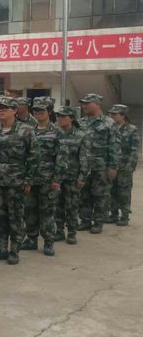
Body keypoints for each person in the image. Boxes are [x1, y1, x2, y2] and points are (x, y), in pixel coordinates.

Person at [0, 96, 39, 265]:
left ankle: (14, 250)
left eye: (5, 108)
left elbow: (34, 156)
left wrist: (29, 179)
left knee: (15, 216)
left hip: (16, 181)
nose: (0, 110)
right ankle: (1, 248)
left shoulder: (26, 130)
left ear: (15, 110)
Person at [77, 93, 119, 234]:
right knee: (84, 194)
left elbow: (114, 146)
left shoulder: (109, 123)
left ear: (97, 104)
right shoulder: (81, 122)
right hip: (83, 165)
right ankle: (85, 220)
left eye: (87, 103)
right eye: (83, 103)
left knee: (100, 194)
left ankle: (98, 222)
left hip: (101, 166)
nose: (84, 106)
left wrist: (112, 166)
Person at [22, 98, 59, 256]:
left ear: (49, 112)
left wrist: (57, 179)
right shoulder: (29, 131)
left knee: (47, 211)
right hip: (31, 178)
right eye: (36, 111)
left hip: (48, 179)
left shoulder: (57, 132)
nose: (38, 114)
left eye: (42, 111)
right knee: (30, 210)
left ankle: (49, 242)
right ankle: (31, 239)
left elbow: (61, 157)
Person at [52, 106, 89, 244]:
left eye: (64, 116)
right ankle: (59, 231)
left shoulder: (81, 135)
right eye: (59, 116)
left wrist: (82, 177)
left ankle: (72, 232)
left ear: (72, 118)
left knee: (72, 205)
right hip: (57, 176)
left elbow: (84, 157)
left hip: (73, 177)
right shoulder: (55, 133)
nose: (60, 119)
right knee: (57, 205)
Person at [108, 104, 138, 226]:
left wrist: (130, 166)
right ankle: (113, 214)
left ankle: (125, 216)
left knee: (124, 192)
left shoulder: (132, 129)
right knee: (112, 190)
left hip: (124, 166)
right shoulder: (110, 128)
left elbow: (134, 150)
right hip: (112, 166)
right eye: (112, 114)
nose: (112, 116)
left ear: (123, 115)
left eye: (115, 114)